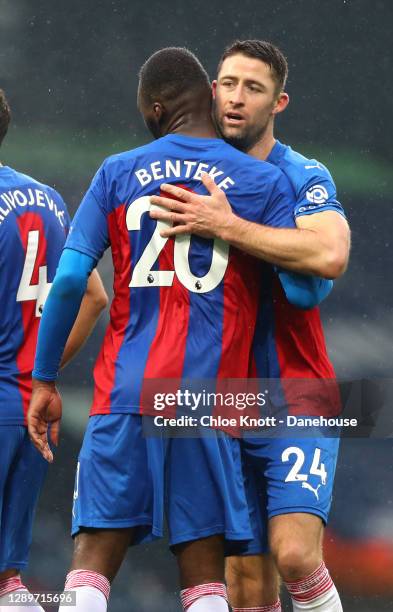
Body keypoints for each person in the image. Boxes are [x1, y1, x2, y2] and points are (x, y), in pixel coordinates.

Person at [27, 47, 331, 612]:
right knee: (207, 579)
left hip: (124, 391)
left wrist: (44, 377)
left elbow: (70, 280)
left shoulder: (117, 170)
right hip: (207, 400)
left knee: (90, 568)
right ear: (210, 96)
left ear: (156, 108)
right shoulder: (262, 181)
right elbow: (309, 287)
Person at [150, 40, 350, 612]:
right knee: (244, 584)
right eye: (227, 84)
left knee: (294, 556)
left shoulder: (300, 174)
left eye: (253, 88)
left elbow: (330, 257)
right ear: (211, 90)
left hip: (297, 391)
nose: (236, 98)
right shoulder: (187, 170)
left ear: (278, 103)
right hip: (220, 401)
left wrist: (228, 225)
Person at [0, 89, 108, 611]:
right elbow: (94, 296)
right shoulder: (45, 198)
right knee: (8, 579)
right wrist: (36, 371)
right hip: (28, 410)